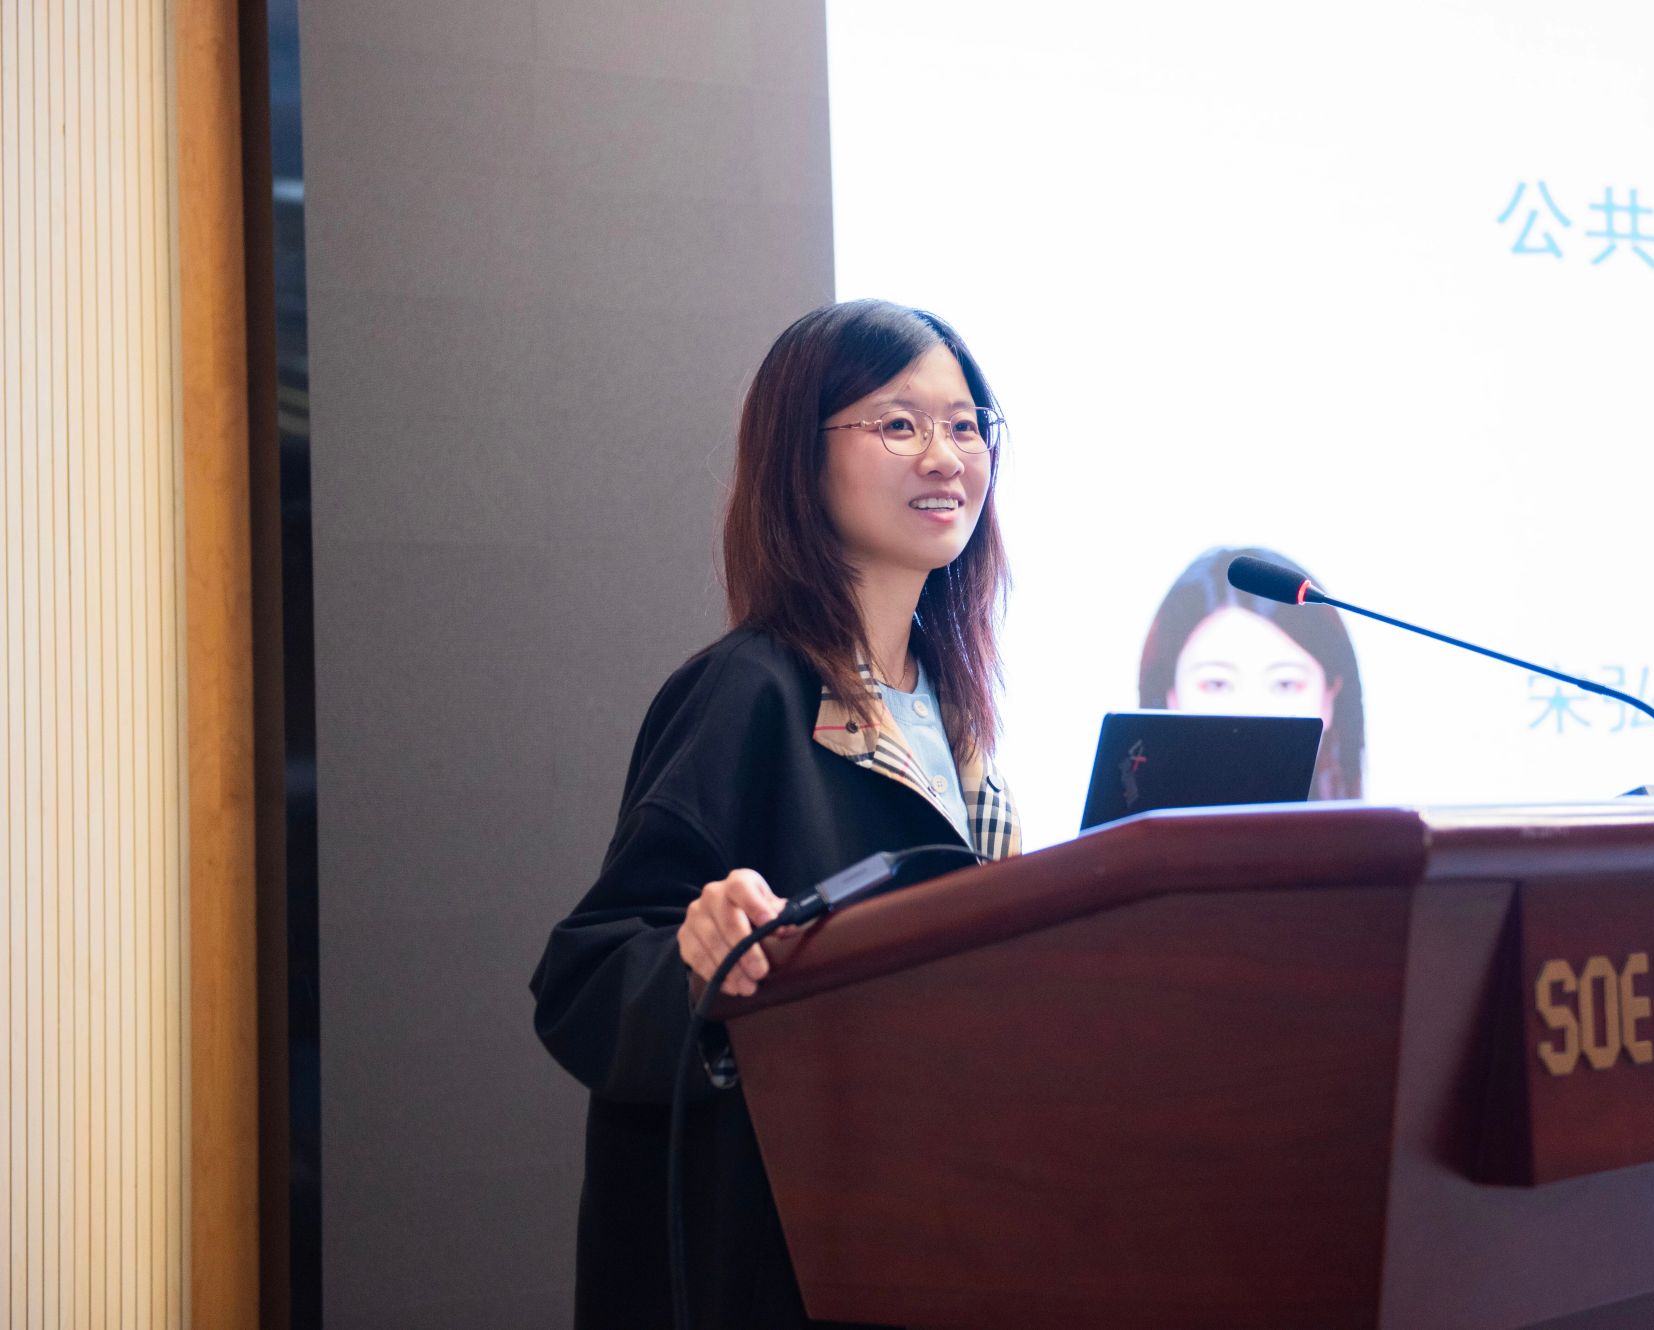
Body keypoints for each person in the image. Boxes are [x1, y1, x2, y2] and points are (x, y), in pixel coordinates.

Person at [530, 300, 1022, 1328]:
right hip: (783, 1257)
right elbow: (589, 972)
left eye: (966, 425)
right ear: (802, 457)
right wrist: (699, 959)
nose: (945, 457)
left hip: (930, 1227)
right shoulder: (749, 690)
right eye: (899, 424)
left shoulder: (959, 715)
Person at [1136, 546, 1366, 800]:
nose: (1251, 710)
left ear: (1329, 698)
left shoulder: (1383, 827)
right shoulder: (1119, 828)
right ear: (1171, 698)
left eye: (1285, 684)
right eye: (1217, 684)